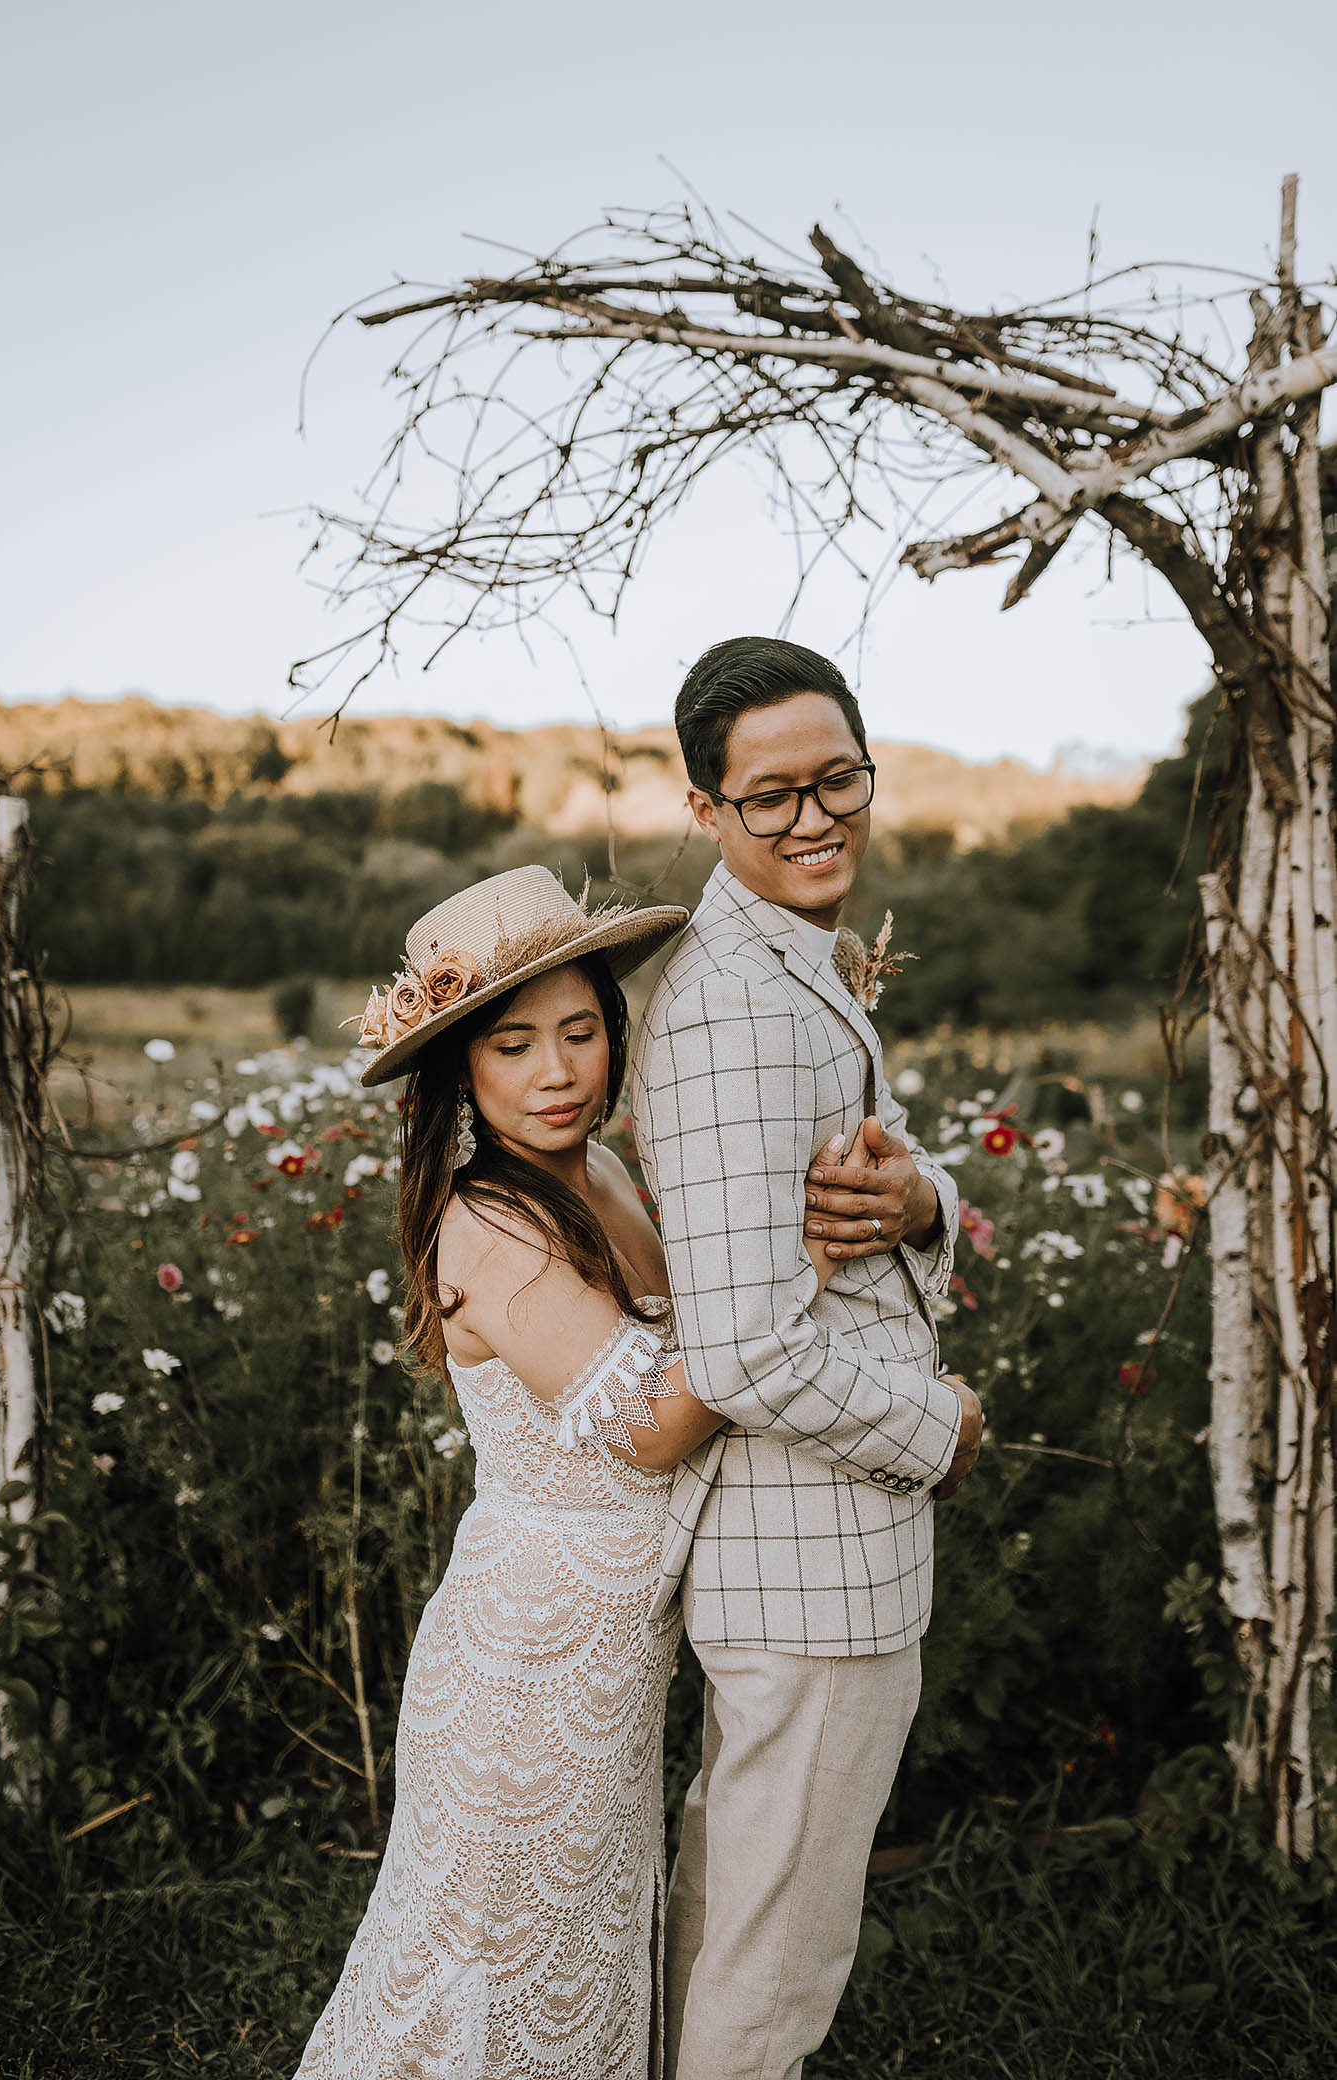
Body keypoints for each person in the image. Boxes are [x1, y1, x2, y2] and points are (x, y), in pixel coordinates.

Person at [294, 865, 860, 2080]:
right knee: (496, 1956)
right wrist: (795, 1276)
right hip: (526, 1654)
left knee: (584, 1942)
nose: (558, 1072)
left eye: (580, 1031)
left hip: (612, 1644)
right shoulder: (488, 1220)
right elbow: (654, 1422)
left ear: (613, 1028)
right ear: (463, 1069)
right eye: (513, 1044)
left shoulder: (598, 1176)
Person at [631, 635, 984, 2080]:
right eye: (768, 796)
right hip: (806, 1564)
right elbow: (745, 1348)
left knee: (742, 1920)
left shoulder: (802, 966)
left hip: (819, 1558)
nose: (812, 817)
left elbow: (870, 1194)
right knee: (772, 1974)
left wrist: (926, 1200)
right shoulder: (730, 1009)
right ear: (706, 810)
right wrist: (937, 1429)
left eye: (836, 778)